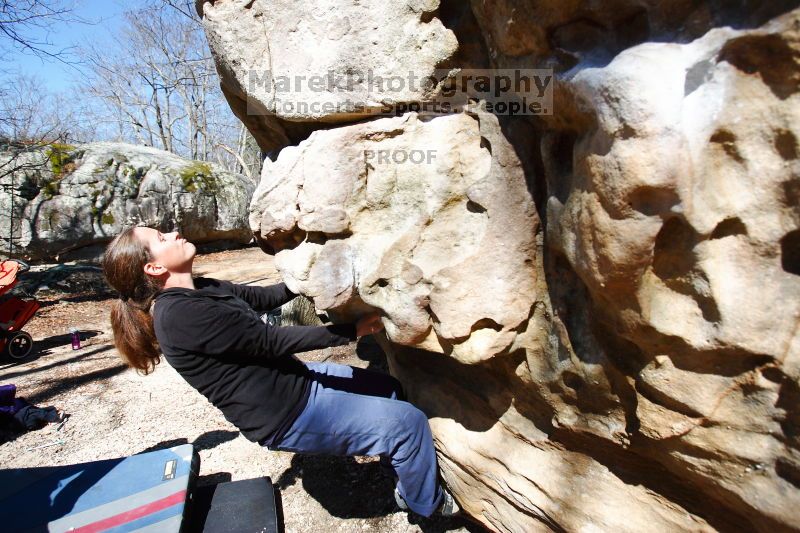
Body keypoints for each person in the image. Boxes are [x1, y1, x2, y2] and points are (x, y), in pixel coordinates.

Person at [101, 227, 460, 517]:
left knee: (388, 388)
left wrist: (305, 274)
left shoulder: (202, 288)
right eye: (161, 238)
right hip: (287, 414)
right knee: (407, 423)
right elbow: (269, 341)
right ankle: (425, 505)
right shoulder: (178, 315)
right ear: (153, 268)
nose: (173, 233)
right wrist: (352, 331)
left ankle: (402, 468)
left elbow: (264, 298)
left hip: (295, 384)